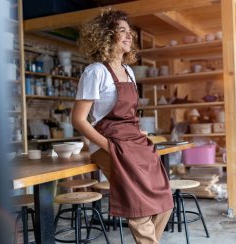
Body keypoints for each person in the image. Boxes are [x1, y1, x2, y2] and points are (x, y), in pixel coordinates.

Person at [72, 9, 174, 244]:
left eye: (130, 32)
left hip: (133, 141)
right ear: (107, 36)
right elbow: (78, 119)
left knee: (164, 201)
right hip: (109, 144)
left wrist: (137, 133)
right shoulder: (95, 71)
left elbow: (127, 115)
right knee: (139, 207)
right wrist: (108, 146)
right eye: (122, 31)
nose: (129, 36)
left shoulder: (128, 71)